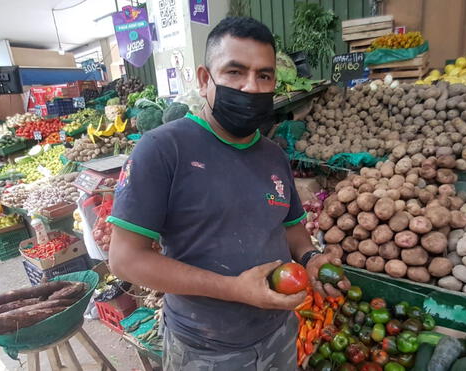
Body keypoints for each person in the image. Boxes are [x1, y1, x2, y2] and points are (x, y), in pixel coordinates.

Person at [107, 17, 350, 370]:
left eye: (264, 75)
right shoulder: (162, 149)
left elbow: (292, 229)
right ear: (205, 79)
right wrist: (233, 288)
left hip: (280, 333)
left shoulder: (274, 155)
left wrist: (311, 259)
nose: (251, 87)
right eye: (235, 72)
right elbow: (125, 260)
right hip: (206, 349)